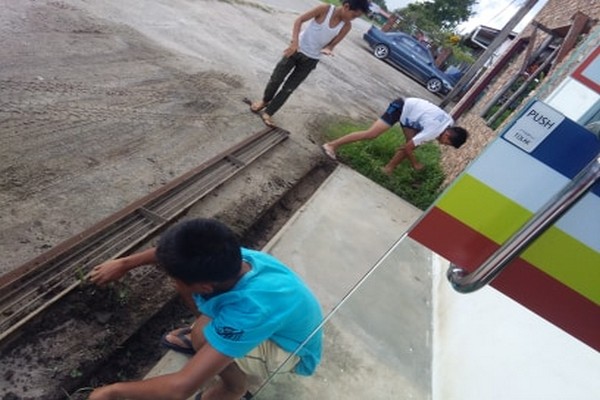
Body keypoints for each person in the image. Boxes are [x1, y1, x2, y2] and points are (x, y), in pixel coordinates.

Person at [88, 218, 323, 400]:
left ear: (205, 286)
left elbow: (180, 388)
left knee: (202, 336)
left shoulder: (250, 310)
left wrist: (113, 392)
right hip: (271, 318)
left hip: (291, 351)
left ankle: (234, 389)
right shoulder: (234, 258)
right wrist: (124, 263)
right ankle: (213, 346)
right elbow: (172, 256)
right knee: (189, 298)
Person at [247, 0, 370, 127]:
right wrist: (294, 42)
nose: (353, 19)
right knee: (276, 79)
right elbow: (299, 20)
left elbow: (332, 44)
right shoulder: (325, 9)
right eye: (354, 15)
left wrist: (328, 48)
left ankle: (269, 112)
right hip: (295, 50)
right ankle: (265, 101)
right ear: (346, 6)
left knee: (289, 88)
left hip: (311, 60)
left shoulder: (346, 26)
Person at [322, 97, 469, 174]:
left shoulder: (449, 122)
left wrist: (409, 147)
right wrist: (415, 163)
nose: (442, 144)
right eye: (446, 142)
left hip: (411, 117)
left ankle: (387, 170)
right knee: (371, 134)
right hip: (400, 107)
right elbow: (408, 147)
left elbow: (409, 146)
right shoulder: (434, 131)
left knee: (411, 145)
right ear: (447, 134)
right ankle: (331, 145)